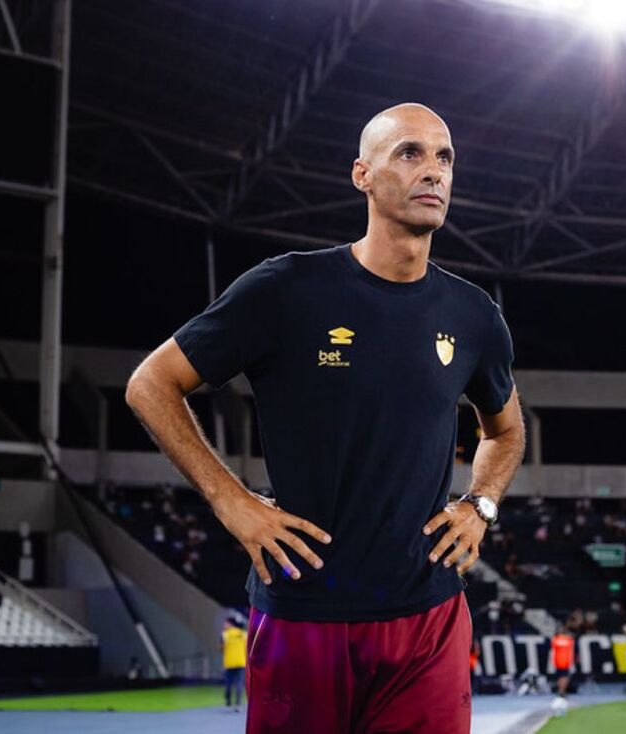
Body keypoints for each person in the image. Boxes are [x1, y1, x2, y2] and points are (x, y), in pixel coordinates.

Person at [125, 102, 526, 734]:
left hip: (428, 618)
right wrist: (232, 501)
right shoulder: (286, 289)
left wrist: (480, 506)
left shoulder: (474, 316)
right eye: (410, 153)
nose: (434, 173)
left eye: (444, 158)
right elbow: (152, 384)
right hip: (303, 614)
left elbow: (506, 431)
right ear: (362, 175)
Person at [222, 616, 247, 712]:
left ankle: (228, 701)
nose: (224, 625)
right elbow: (247, 647)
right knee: (239, 683)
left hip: (229, 663)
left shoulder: (225, 635)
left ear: (231, 624)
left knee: (228, 683)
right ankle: (238, 704)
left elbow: (221, 647)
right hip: (241, 662)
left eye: (226, 623)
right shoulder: (243, 634)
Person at [551, 627, 575, 697]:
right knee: (565, 676)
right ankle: (562, 690)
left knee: (559, 676)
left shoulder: (556, 640)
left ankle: (560, 690)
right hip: (566, 660)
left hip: (557, 660)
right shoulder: (569, 640)